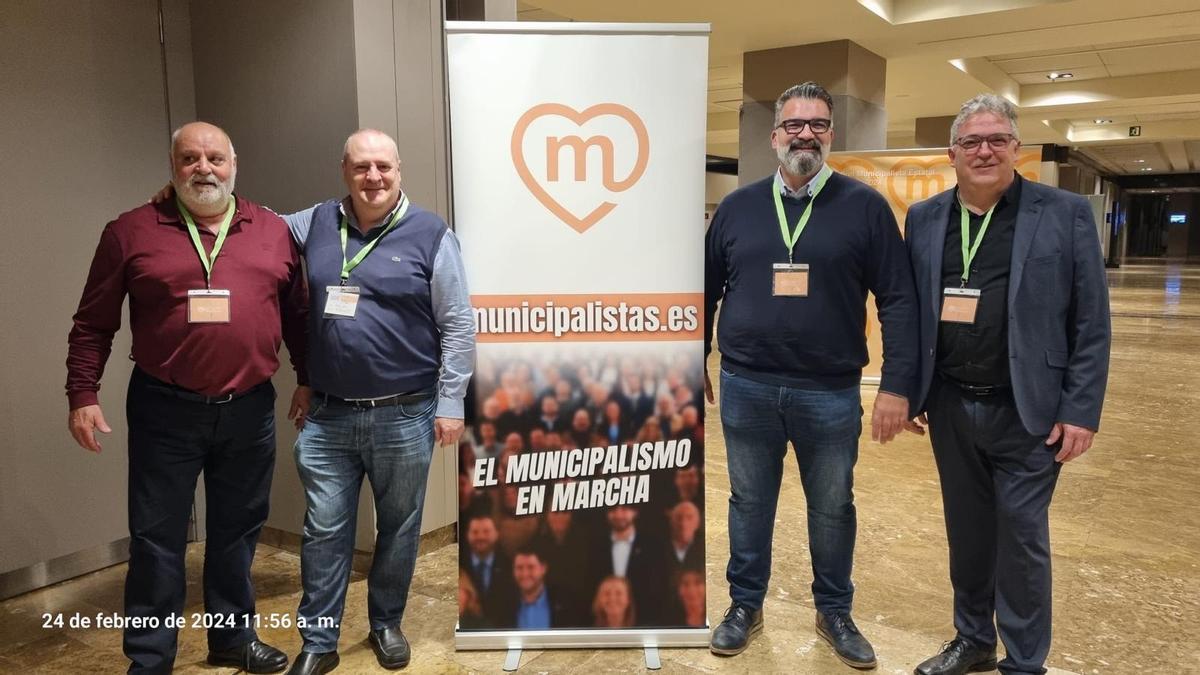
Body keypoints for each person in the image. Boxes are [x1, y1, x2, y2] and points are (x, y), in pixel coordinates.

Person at [67, 121, 307, 674]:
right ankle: (151, 658)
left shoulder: (271, 229)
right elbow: (92, 323)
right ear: (173, 167)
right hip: (164, 409)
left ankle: (232, 640)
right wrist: (83, 391)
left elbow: (297, 316)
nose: (205, 168)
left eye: (215, 158)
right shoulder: (130, 231)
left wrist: (308, 376)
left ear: (234, 164)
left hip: (249, 408)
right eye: (191, 158)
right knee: (156, 541)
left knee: (236, 532)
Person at [704, 81, 919, 668]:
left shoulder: (865, 207)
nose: (806, 134)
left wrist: (898, 383)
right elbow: (705, 287)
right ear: (774, 137)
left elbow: (898, 299)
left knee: (832, 506)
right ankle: (745, 605)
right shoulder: (738, 207)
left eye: (818, 125)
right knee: (749, 502)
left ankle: (834, 611)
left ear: (830, 135)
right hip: (746, 385)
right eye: (794, 125)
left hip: (829, 389)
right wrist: (695, 356)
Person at [903, 94, 1111, 675]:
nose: (985, 150)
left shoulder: (1064, 213)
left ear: (1018, 149)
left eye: (997, 139)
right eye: (972, 141)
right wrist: (911, 388)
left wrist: (1082, 409)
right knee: (967, 534)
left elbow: (1091, 321)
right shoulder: (924, 219)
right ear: (952, 154)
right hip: (949, 403)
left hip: (1030, 411)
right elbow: (909, 311)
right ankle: (972, 640)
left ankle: (1024, 661)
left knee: (1021, 541)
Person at [283, 129, 475, 675]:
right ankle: (318, 641)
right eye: (362, 166)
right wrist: (184, 198)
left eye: (384, 167)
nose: (374, 177)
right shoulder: (313, 223)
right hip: (327, 414)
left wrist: (451, 401)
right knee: (323, 529)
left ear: (400, 171)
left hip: (405, 412)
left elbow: (458, 322)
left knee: (398, 526)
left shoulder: (432, 233)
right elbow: (247, 226)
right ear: (344, 168)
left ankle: (385, 623)